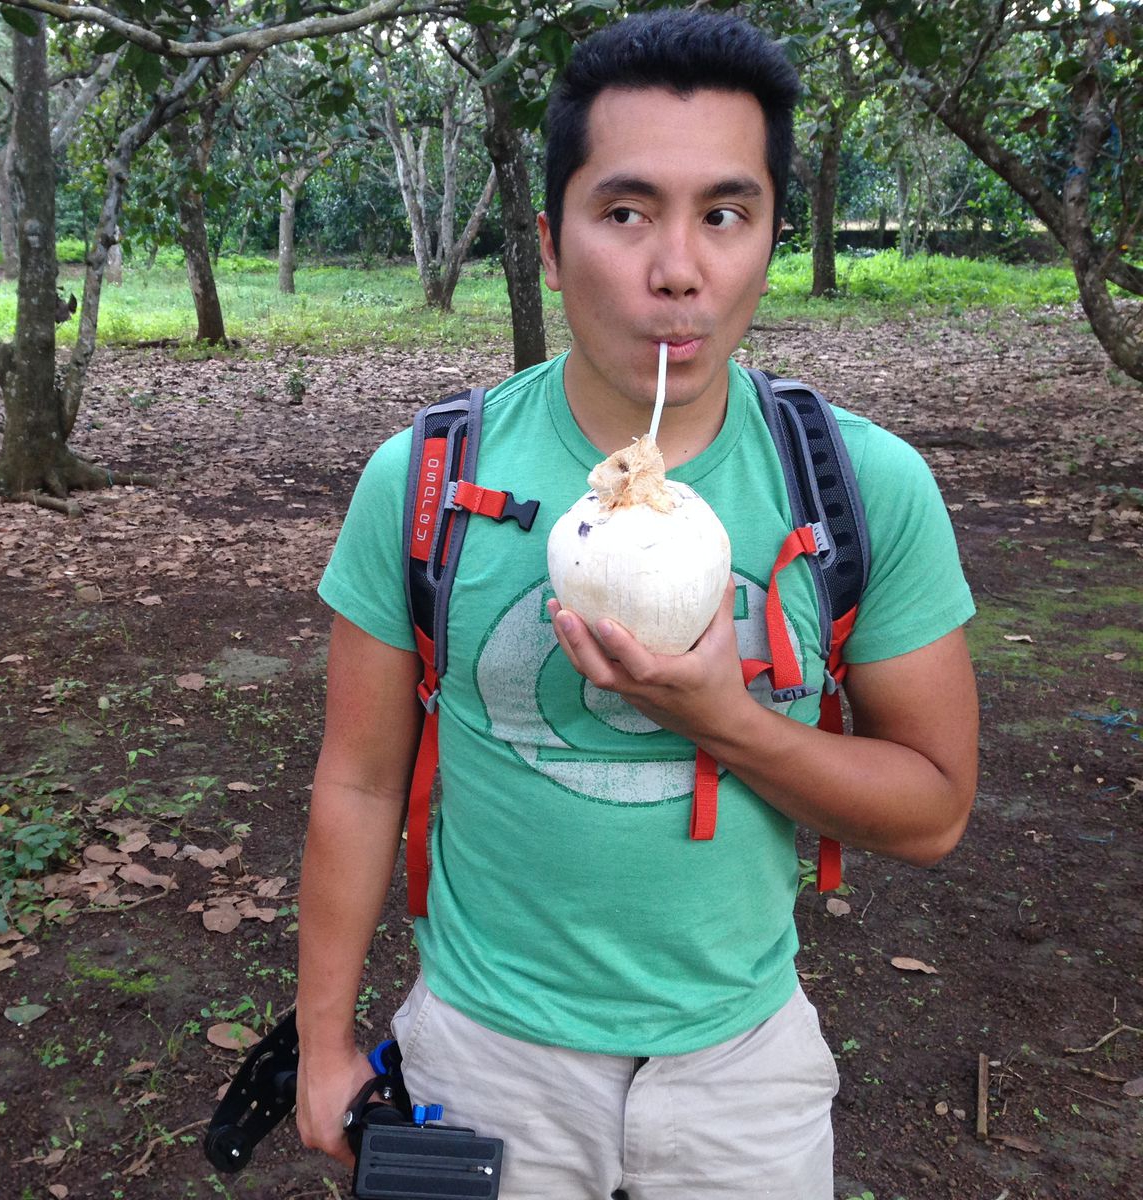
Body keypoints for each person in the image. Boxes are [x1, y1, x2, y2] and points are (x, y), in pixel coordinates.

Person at [295, 9, 979, 1199]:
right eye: (624, 213)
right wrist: (320, 1050)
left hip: (741, 1075)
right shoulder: (425, 483)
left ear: (770, 236)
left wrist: (724, 716)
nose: (678, 268)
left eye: (725, 213)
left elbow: (930, 814)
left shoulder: (862, 486)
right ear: (551, 248)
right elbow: (356, 780)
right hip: (477, 1054)